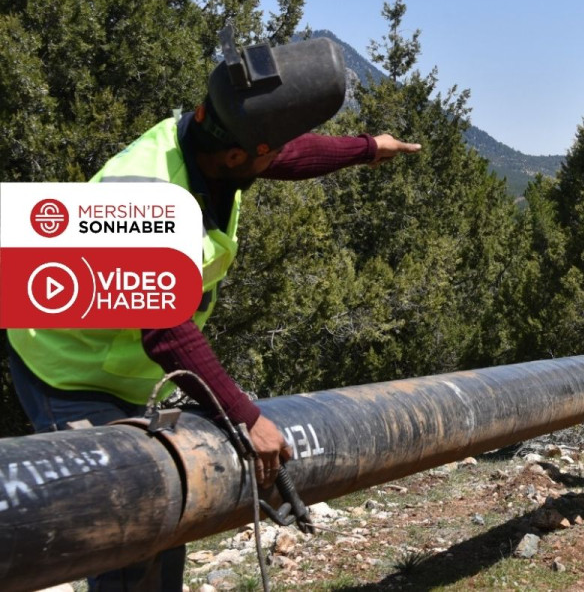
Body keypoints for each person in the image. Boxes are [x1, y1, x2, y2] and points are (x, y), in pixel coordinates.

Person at [6, 31, 420, 591]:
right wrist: (247, 418)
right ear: (235, 155)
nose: (274, 157)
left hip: (119, 364)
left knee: (164, 525)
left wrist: (369, 147)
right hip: (65, 361)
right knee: (130, 520)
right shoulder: (144, 192)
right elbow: (166, 330)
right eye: (265, 153)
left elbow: (287, 154)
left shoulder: (215, 140)